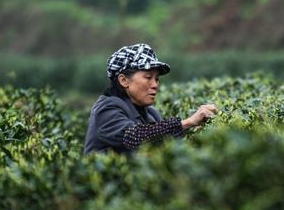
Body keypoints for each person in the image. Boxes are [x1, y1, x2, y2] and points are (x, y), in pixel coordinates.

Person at [83, 43, 218, 155]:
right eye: (148, 78)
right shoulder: (106, 109)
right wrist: (188, 122)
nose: (155, 85)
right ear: (124, 80)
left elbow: (161, 139)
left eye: (157, 79)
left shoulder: (151, 113)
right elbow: (134, 137)